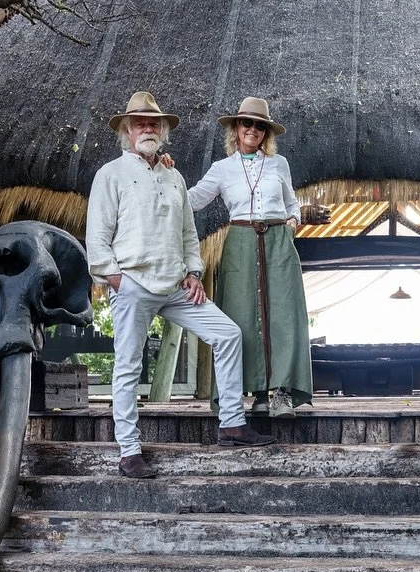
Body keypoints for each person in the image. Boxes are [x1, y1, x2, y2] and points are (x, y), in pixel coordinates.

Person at [86, 91, 276, 478]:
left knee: (227, 334)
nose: (147, 128)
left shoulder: (173, 176)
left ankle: (231, 425)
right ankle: (129, 451)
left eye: (154, 123)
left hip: (176, 284)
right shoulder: (111, 174)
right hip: (133, 282)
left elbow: (189, 233)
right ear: (127, 131)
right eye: (140, 123)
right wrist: (115, 277)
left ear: (163, 131)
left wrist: (193, 272)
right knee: (128, 365)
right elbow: (98, 235)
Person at [187, 96, 313, 418]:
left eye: (260, 125)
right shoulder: (221, 169)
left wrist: (293, 222)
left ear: (266, 132)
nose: (253, 129)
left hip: (278, 240)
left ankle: (282, 393)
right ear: (236, 128)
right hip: (241, 241)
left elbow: (291, 202)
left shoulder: (279, 164)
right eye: (247, 123)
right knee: (242, 316)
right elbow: (193, 200)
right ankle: (257, 393)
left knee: (284, 314)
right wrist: (163, 181)